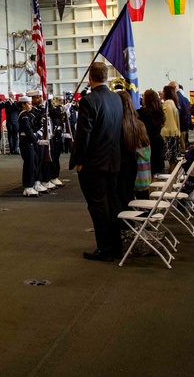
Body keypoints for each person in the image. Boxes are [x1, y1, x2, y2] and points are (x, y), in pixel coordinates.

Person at [70, 62, 123, 261]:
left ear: (90, 78)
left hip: (94, 163)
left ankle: (105, 248)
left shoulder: (88, 101)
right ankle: (116, 245)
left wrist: (79, 160)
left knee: (98, 206)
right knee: (113, 204)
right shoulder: (116, 99)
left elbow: (84, 135)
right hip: (112, 161)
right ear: (106, 77)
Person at [117, 90, 150, 209]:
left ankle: (124, 222)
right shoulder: (138, 123)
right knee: (130, 192)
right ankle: (131, 220)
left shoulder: (117, 123)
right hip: (133, 163)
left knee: (121, 195)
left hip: (119, 163)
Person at [18, 97, 43, 196]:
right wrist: (36, 140)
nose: (31, 106)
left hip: (30, 141)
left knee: (34, 162)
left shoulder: (29, 114)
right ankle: (27, 186)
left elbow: (34, 127)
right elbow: (28, 130)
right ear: (23, 105)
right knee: (29, 164)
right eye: (28, 104)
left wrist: (40, 122)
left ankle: (32, 184)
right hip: (26, 142)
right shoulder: (23, 116)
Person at [137, 89, 166, 175]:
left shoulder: (141, 113)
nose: (142, 99)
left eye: (143, 97)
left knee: (149, 165)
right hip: (158, 139)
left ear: (147, 99)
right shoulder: (159, 112)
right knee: (158, 164)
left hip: (147, 141)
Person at [160, 85, 182, 171]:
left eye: (163, 91)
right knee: (173, 159)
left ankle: (171, 177)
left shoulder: (167, 103)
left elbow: (165, 120)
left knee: (170, 159)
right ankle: (174, 176)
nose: (161, 93)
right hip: (175, 133)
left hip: (167, 134)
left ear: (166, 93)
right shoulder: (173, 103)